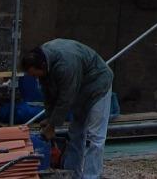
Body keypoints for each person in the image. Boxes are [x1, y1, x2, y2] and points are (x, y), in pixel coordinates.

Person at [21, 39, 113, 179]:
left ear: (43, 66)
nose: (34, 78)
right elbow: (48, 92)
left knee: (95, 136)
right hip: (80, 89)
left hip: (98, 86)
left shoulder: (66, 65)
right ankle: (72, 174)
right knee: (75, 134)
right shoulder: (44, 60)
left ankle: (91, 176)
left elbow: (65, 98)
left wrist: (52, 126)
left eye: (35, 75)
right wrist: (49, 117)